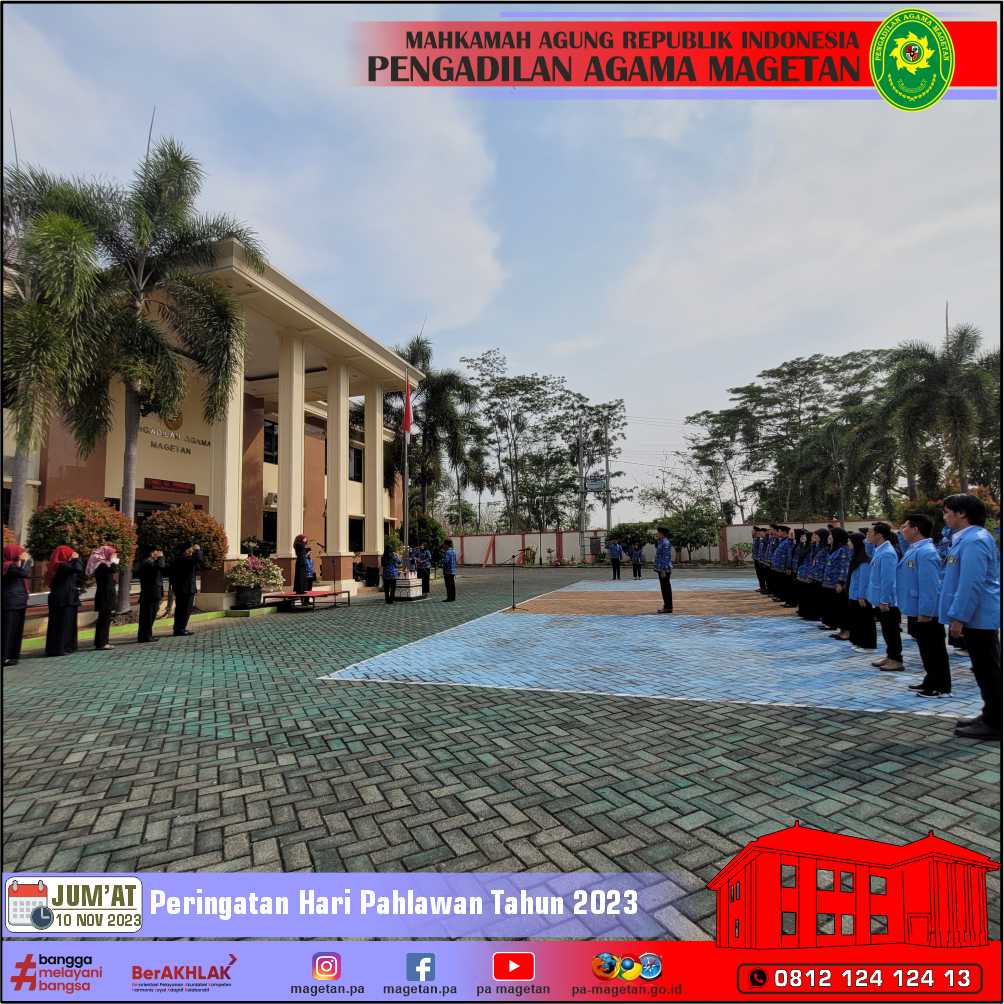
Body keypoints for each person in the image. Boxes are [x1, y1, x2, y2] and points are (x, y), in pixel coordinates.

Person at [939, 494, 1001, 740]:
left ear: (962, 513)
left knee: (988, 670)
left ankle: (995, 722)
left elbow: (970, 584)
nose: (945, 517)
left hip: (978, 616)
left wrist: (959, 617)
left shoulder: (975, 540)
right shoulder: (967, 539)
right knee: (983, 669)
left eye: (947, 512)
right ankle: (990, 714)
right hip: (976, 615)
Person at [897, 513, 949, 698]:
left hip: (927, 611)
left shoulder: (926, 552)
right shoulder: (916, 549)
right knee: (926, 649)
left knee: (934, 649)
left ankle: (940, 686)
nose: (902, 530)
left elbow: (930, 586)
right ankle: (931, 680)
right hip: (917, 608)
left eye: (905, 526)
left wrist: (926, 612)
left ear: (915, 530)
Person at [866, 522, 903, 671]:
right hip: (880, 599)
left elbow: (888, 580)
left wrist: (884, 600)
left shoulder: (887, 553)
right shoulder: (879, 549)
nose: (867, 535)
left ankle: (896, 660)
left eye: (870, 533)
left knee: (892, 631)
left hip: (887, 601)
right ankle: (890, 656)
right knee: (887, 630)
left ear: (879, 535)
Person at [45, 545, 83, 657]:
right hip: (63, 598)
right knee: (61, 624)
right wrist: (76, 558)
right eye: (70, 553)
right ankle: (59, 648)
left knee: (68, 623)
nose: (72, 555)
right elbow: (78, 569)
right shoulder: (61, 565)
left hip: (66, 597)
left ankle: (67, 646)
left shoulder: (64, 565)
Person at [846, 532, 877, 650]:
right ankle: (858, 642)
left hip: (861, 596)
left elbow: (864, 580)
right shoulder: (856, 556)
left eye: (850, 541)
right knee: (857, 620)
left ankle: (867, 645)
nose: (848, 544)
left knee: (865, 621)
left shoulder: (864, 560)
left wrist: (861, 596)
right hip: (854, 594)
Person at [2, 544, 32, 666]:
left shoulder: (15, 566)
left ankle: (12, 655)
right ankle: (4, 656)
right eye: (19, 552)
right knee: (7, 630)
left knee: (16, 630)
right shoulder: (7, 566)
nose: (22, 554)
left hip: (19, 602)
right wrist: (25, 561)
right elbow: (24, 573)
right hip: (10, 603)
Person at [86, 545, 119, 651]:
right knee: (104, 620)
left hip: (105, 595)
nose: (114, 555)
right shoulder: (102, 565)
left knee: (105, 619)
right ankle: (102, 643)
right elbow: (113, 569)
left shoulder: (104, 565)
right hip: (105, 596)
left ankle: (102, 642)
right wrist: (113, 560)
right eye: (112, 553)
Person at [821, 527, 851, 635]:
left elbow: (844, 567)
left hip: (837, 583)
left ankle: (845, 630)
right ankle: (836, 626)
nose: (829, 537)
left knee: (841, 607)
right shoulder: (834, 549)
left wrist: (840, 582)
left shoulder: (843, 550)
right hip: (829, 583)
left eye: (831, 535)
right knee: (833, 606)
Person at [169, 544, 202, 636]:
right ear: (186, 550)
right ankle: (179, 629)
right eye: (190, 549)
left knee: (185, 609)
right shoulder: (182, 559)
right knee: (183, 609)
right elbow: (198, 559)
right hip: (184, 589)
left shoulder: (187, 559)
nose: (192, 551)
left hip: (187, 588)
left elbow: (198, 564)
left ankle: (180, 628)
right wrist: (198, 550)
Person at [137, 548, 165, 643]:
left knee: (149, 616)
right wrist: (161, 557)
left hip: (151, 593)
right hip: (150, 594)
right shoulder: (148, 563)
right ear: (152, 553)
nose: (159, 554)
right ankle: (146, 636)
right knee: (148, 616)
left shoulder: (150, 562)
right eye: (157, 552)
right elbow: (160, 566)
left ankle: (145, 635)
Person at [805, 528, 830, 622]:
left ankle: (820, 615)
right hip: (814, 574)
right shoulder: (815, 546)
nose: (815, 537)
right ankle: (814, 614)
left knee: (820, 597)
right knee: (814, 595)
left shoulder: (826, 548)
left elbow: (826, 562)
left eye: (817, 535)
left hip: (820, 576)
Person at [795, 531, 818, 620]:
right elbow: (798, 552)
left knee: (808, 595)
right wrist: (801, 544)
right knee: (802, 594)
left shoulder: (811, 547)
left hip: (808, 574)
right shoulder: (806, 545)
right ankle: (803, 611)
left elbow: (802, 554)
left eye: (804, 537)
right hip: (802, 572)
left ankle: (809, 613)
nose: (803, 538)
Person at [654, 526, 673, 613]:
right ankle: (667, 606)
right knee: (664, 588)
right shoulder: (661, 542)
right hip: (661, 568)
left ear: (661, 533)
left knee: (666, 588)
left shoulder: (665, 543)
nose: (656, 533)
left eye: (658, 532)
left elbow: (665, 557)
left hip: (664, 569)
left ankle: (668, 607)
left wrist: (662, 570)